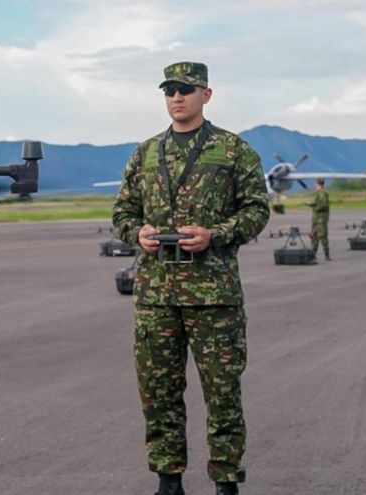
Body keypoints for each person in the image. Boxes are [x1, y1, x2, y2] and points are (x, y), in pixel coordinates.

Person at [112, 61, 270, 495]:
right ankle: (168, 480)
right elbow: (123, 212)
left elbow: (257, 210)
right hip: (156, 296)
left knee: (222, 394)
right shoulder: (144, 153)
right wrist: (137, 233)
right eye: (169, 90)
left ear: (206, 94)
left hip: (213, 296)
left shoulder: (233, 151)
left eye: (185, 89)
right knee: (158, 392)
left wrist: (214, 235)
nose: (176, 97)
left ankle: (226, 481)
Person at [306, 178, 330, 260]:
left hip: (321, 220)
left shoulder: (322, 194)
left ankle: (327, 255)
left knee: (323, 236)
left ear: (318, 184)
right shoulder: (318, 193)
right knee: (314, 237)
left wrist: (314, 206)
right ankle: (313, 255)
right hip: (316, 219)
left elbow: (323, 205)